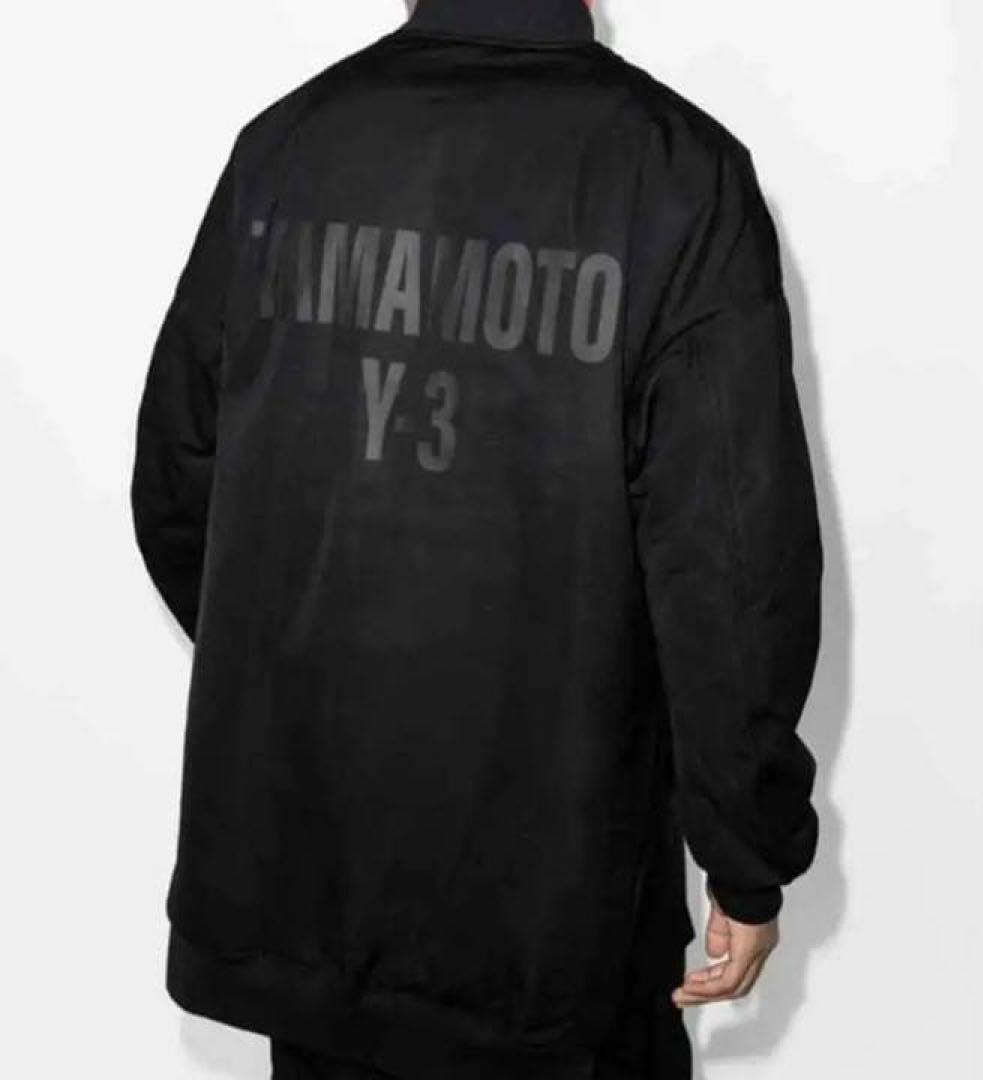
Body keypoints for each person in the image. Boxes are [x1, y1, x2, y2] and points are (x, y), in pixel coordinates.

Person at [130, 0, 823, 1077]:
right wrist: (745, 852)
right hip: (560, 921)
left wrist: (307, 682)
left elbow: (180, 488)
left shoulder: (288, 148)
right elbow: (732, 567)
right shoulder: (678, 176)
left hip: (316, 902)